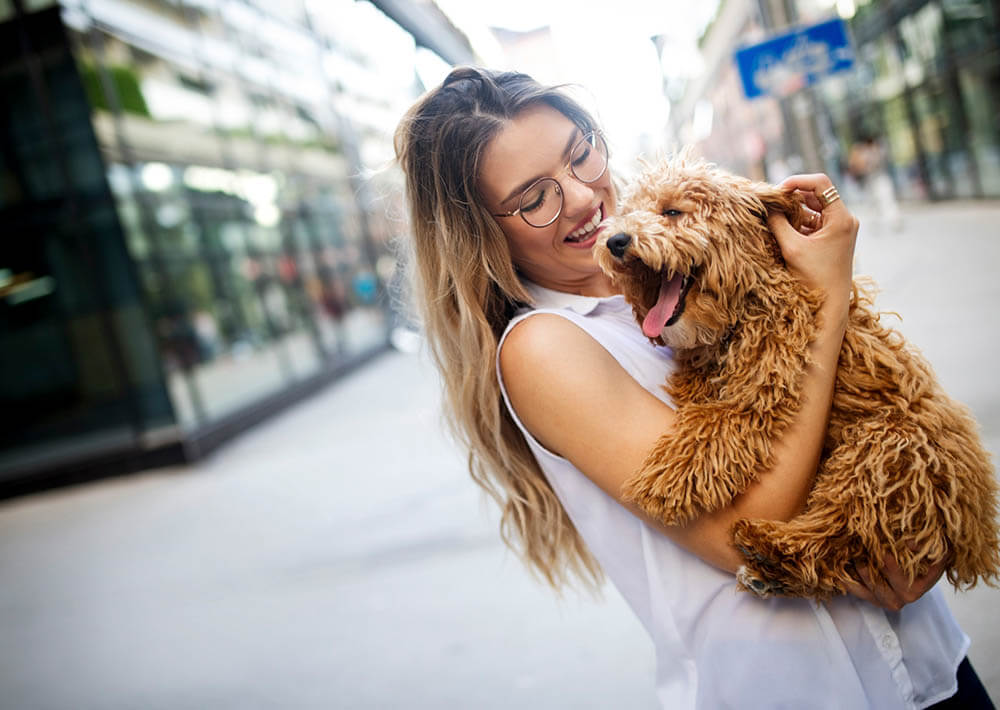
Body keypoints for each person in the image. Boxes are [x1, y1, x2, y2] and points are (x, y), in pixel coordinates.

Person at [394, 66, 993, 709]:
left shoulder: (676, 264)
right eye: (534, 197)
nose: (581, 197)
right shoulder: (544, 346)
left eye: (581, 153)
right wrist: (824, 296)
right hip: (799, 693)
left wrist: (914, 522)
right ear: (483, 230)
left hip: (926, 660)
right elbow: (749, 531)